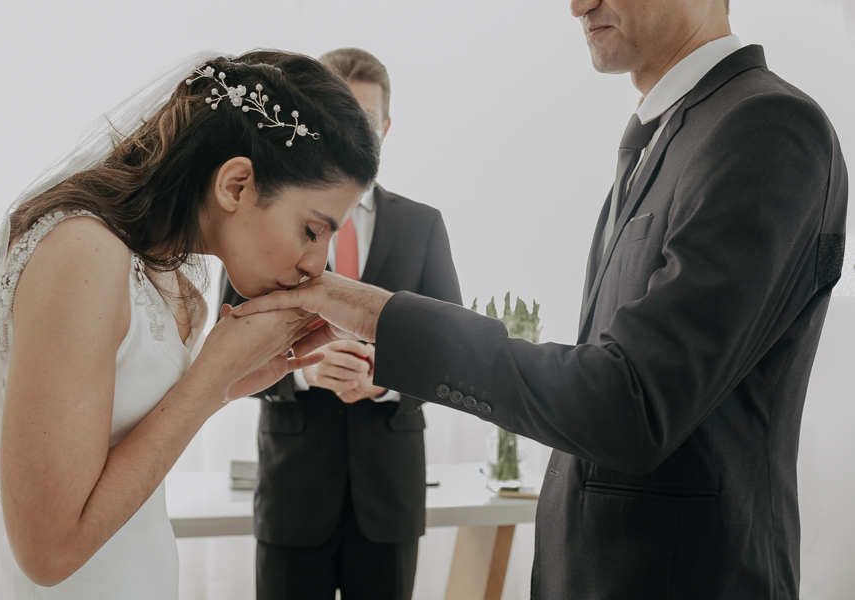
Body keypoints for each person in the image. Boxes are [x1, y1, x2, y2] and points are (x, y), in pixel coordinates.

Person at [230, 1, 849, 598]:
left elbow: (627, 403)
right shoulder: (665, 136)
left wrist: (373, 313)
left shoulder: (765, 128)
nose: (577, 5)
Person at [0, 49, 379, 600]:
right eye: (311, 229)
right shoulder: (81, 254)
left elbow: (125, 458)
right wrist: (208, 381)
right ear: (236, 185)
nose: (316, 264)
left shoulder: (178, 280)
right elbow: (48, 553)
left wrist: (228, 385)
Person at [219, 47, 461, 600]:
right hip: (293, 494)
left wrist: (386, 379)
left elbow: (452, 354)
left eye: (367, 123)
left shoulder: (424, 225)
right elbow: (223, 342)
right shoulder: (259, 218)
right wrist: (302, 371)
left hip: (390, 497)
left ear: (386, 127)